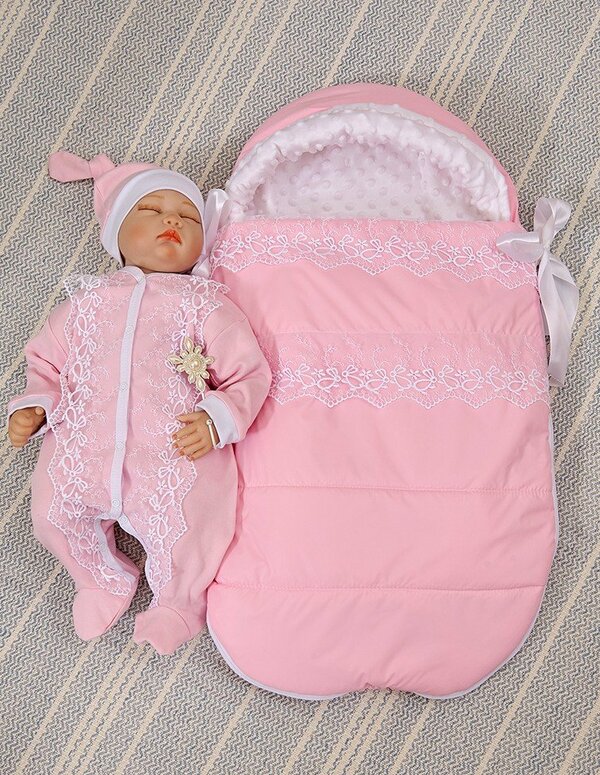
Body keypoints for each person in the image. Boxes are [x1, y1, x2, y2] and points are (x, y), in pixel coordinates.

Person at [5, 150, 272, 655]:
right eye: (151, 210)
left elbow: (249, 372)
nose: (173, 220)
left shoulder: (205, 304)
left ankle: (177, 602)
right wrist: (36, 405)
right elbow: (46, 362)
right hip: (82, 450)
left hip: (173, 453)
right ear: (117, 235)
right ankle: (98, 577)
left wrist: (217, 418)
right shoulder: (86, 303)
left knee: (195, 524)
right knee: (50, 513)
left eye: (189, 216)